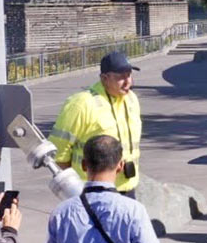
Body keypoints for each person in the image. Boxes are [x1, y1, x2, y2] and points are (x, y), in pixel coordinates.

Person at [48, 50, 144, 196]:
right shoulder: (82, 103)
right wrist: (73, 190)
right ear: (104, 78)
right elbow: (58, 153)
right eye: (121, 77)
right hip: (92, 191)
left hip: (127, 188)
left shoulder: (131, 100)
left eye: (129, 75)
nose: (128, 82)